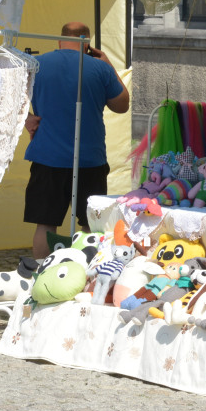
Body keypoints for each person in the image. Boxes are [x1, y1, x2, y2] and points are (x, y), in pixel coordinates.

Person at [23, 22, 129, 259]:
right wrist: (109, 65)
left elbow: (7, 99)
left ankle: (41, 271)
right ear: (88, 45)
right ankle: (84, 274)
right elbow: (122, 105)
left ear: (60, 41)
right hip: (89, 158)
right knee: (90, 224)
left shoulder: (37, 65)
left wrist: (28, 119)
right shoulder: (99, 68)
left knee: (45, 224)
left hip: (47, 156)